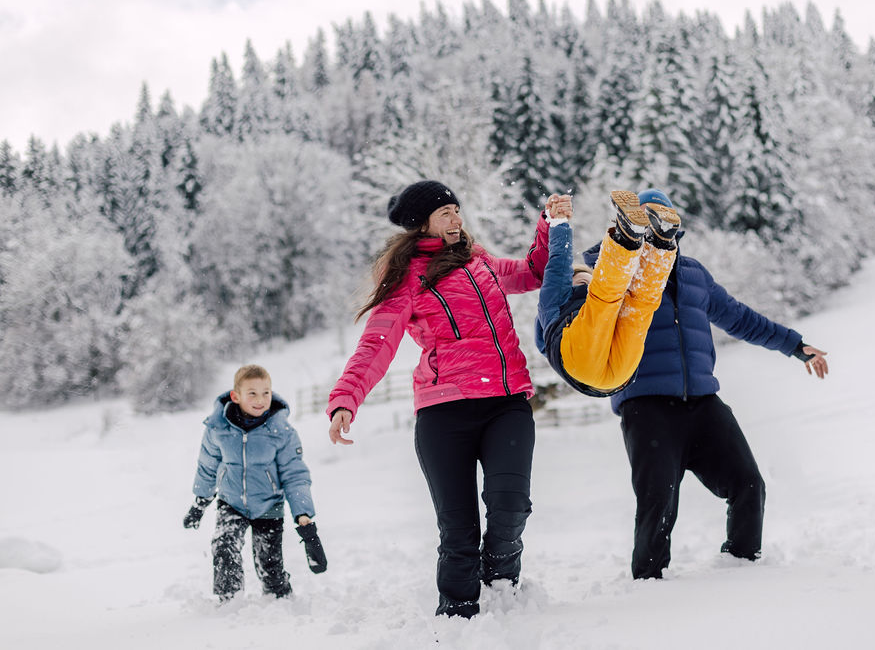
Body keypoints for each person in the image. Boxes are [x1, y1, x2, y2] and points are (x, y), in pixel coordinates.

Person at [326, 180, 556, 619]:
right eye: (445, 212)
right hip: (443, 411)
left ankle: (502, 594)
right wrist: (346, 398)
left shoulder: (480, 260)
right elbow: (378, 343)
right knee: (458, 531)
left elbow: (534, 272)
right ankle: (458, 617)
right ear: (423, 223)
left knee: (511, 509)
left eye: (456, 209)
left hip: (506, 401)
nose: (456, 218)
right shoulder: (408, 277)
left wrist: (548, 225)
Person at [581, 188, 830, 580]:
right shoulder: (620, 271)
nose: (659, 225)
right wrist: (617, 245)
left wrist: (795, 345)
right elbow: (593, 292)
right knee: (657, 503)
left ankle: (742, 569)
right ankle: (647, 586)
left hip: (703, 403)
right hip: (646, 407)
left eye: (665, 218)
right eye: (649, 218)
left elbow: (740, 318)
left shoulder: (695, 275)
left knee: (749, 484)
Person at [184, 364, 327, 601]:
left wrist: (304, 517)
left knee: (270, 567)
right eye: (252, 393)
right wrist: (200, 503)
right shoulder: (217, 428)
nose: (260, 400)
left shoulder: (281, 431)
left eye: (266, 392)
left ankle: (279, 600)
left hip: (269, 505)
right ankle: (228, 601)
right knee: (223, 547)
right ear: (236, 396)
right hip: (231, 502)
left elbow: (294, 474)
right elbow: (207, 465)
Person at [535, 190, 680, 396]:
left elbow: (560, 259)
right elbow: (559, 264)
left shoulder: (589, 298)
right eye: (579, 277)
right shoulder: (555, 300)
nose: (584, 279)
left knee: (637, 305)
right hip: (584, 362)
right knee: (611, 298)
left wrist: (560, 223)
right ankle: (632, 237)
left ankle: (659, 239)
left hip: (615, 373)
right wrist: (559, 223)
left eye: (587, 276)